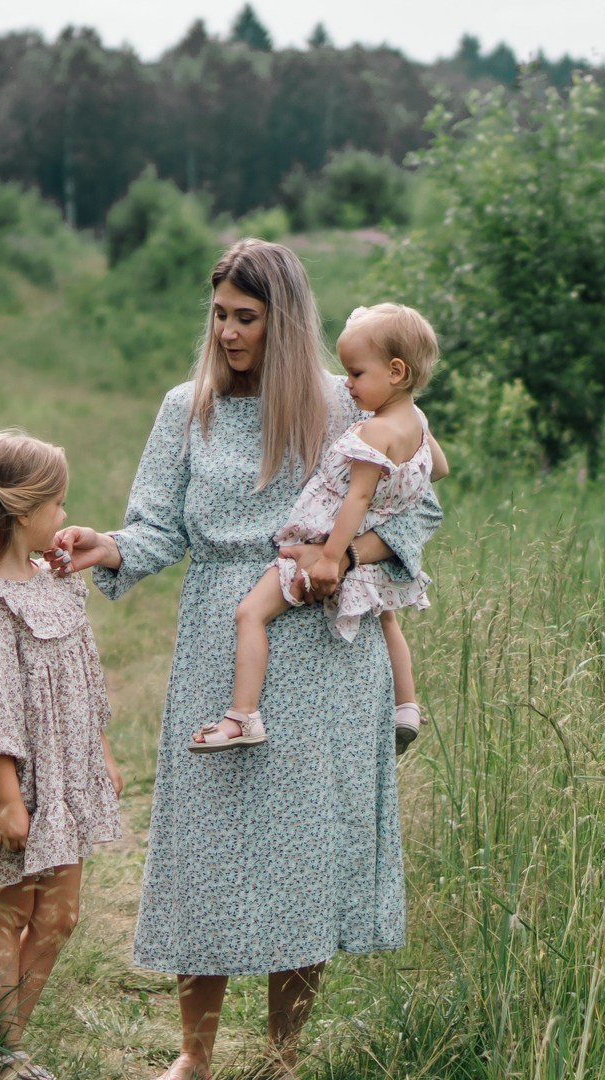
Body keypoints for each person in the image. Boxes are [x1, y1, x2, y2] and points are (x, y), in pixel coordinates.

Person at [52, 240, 441, 1080]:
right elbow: (157, 527)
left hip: (319, 647)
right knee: (210, 841)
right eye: (220, 313)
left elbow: (423, 505)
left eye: (247, 317)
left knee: (299, 849)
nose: (228, 331)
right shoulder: (183, 410)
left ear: (285, 320)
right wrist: (103, 546)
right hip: (220, 642)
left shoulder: (347, 407)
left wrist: (345, 554)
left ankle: (282, 1059)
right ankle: (194, 1054)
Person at [0, 430, 124, 1080]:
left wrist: (100, 752)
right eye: (57, 505)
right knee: (10, 912)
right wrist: (10, 799)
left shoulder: (56, 585)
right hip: (21, 786)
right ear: (20, 512)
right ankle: (2, 1051)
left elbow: (85, 675)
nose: (65, 517)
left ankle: (6, 1039)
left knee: (60, 915)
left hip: (67, 779)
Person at [190, 302, 447, 756]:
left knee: (251, 613)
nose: (347, 384)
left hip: (325, 543)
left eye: (355, 374)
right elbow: (437, 470)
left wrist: (330, 555)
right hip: (375, 553)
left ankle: (242, 715)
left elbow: (358, 497)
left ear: (395, 371)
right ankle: (406, 705)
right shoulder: (417, 425)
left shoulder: (373, 434)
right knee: (386, 617)